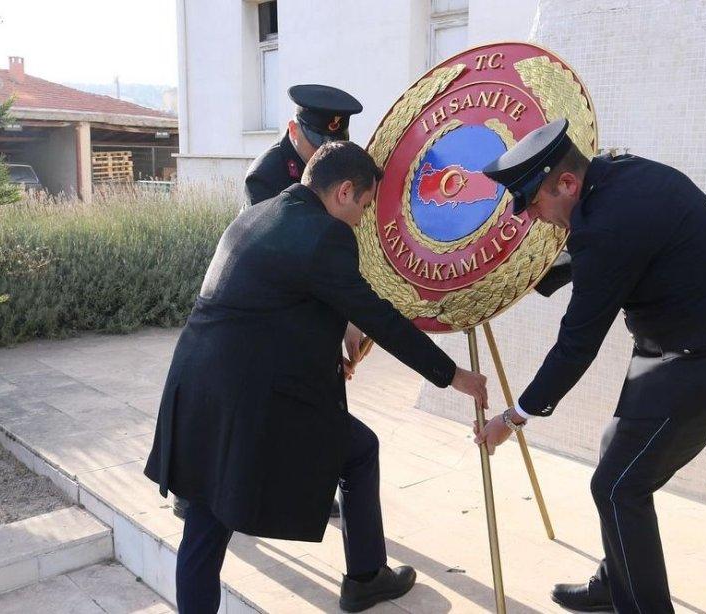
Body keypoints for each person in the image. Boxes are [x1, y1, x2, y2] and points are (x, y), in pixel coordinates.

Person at [144, 141, 488, 614]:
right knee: (360, 450)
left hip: (197, 385)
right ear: (344, 191)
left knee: (203, 523)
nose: (362, 219)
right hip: (248, 402)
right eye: (365, 206)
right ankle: (366, 577)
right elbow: (380, 317)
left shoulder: (261, 213)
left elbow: (273, 309)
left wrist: (326, 352)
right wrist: (452, 375)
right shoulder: (326, 235)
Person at [474, 119, 706, 613]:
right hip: (679, 346)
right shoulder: (621, 177)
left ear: (568, 184)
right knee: (613, 451)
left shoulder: (606, 223)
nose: (534, 217)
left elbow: (576, 345)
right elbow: (608, 256)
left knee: (618, 487)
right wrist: (510, 283)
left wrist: (514, 417)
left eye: (534, 203)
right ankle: (617, 579)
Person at [174, 83, 363, 522]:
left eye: (332, 146)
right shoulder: (268, 175)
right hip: (262, 307)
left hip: (306, 297)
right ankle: (196, 491)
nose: (323, 155)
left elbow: (334, 250)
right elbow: (293, 265)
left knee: (325, 403)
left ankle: (316, 480)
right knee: (244, 405)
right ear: (294, 129)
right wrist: (340, 325)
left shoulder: (336, 169)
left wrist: (350, 318)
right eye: (317, 143)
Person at [243, 83, 363, 206]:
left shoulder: (338, 162)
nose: (327, 153)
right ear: (293, 129)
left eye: (335, 144)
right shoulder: (264, 176)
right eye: (318, 144)